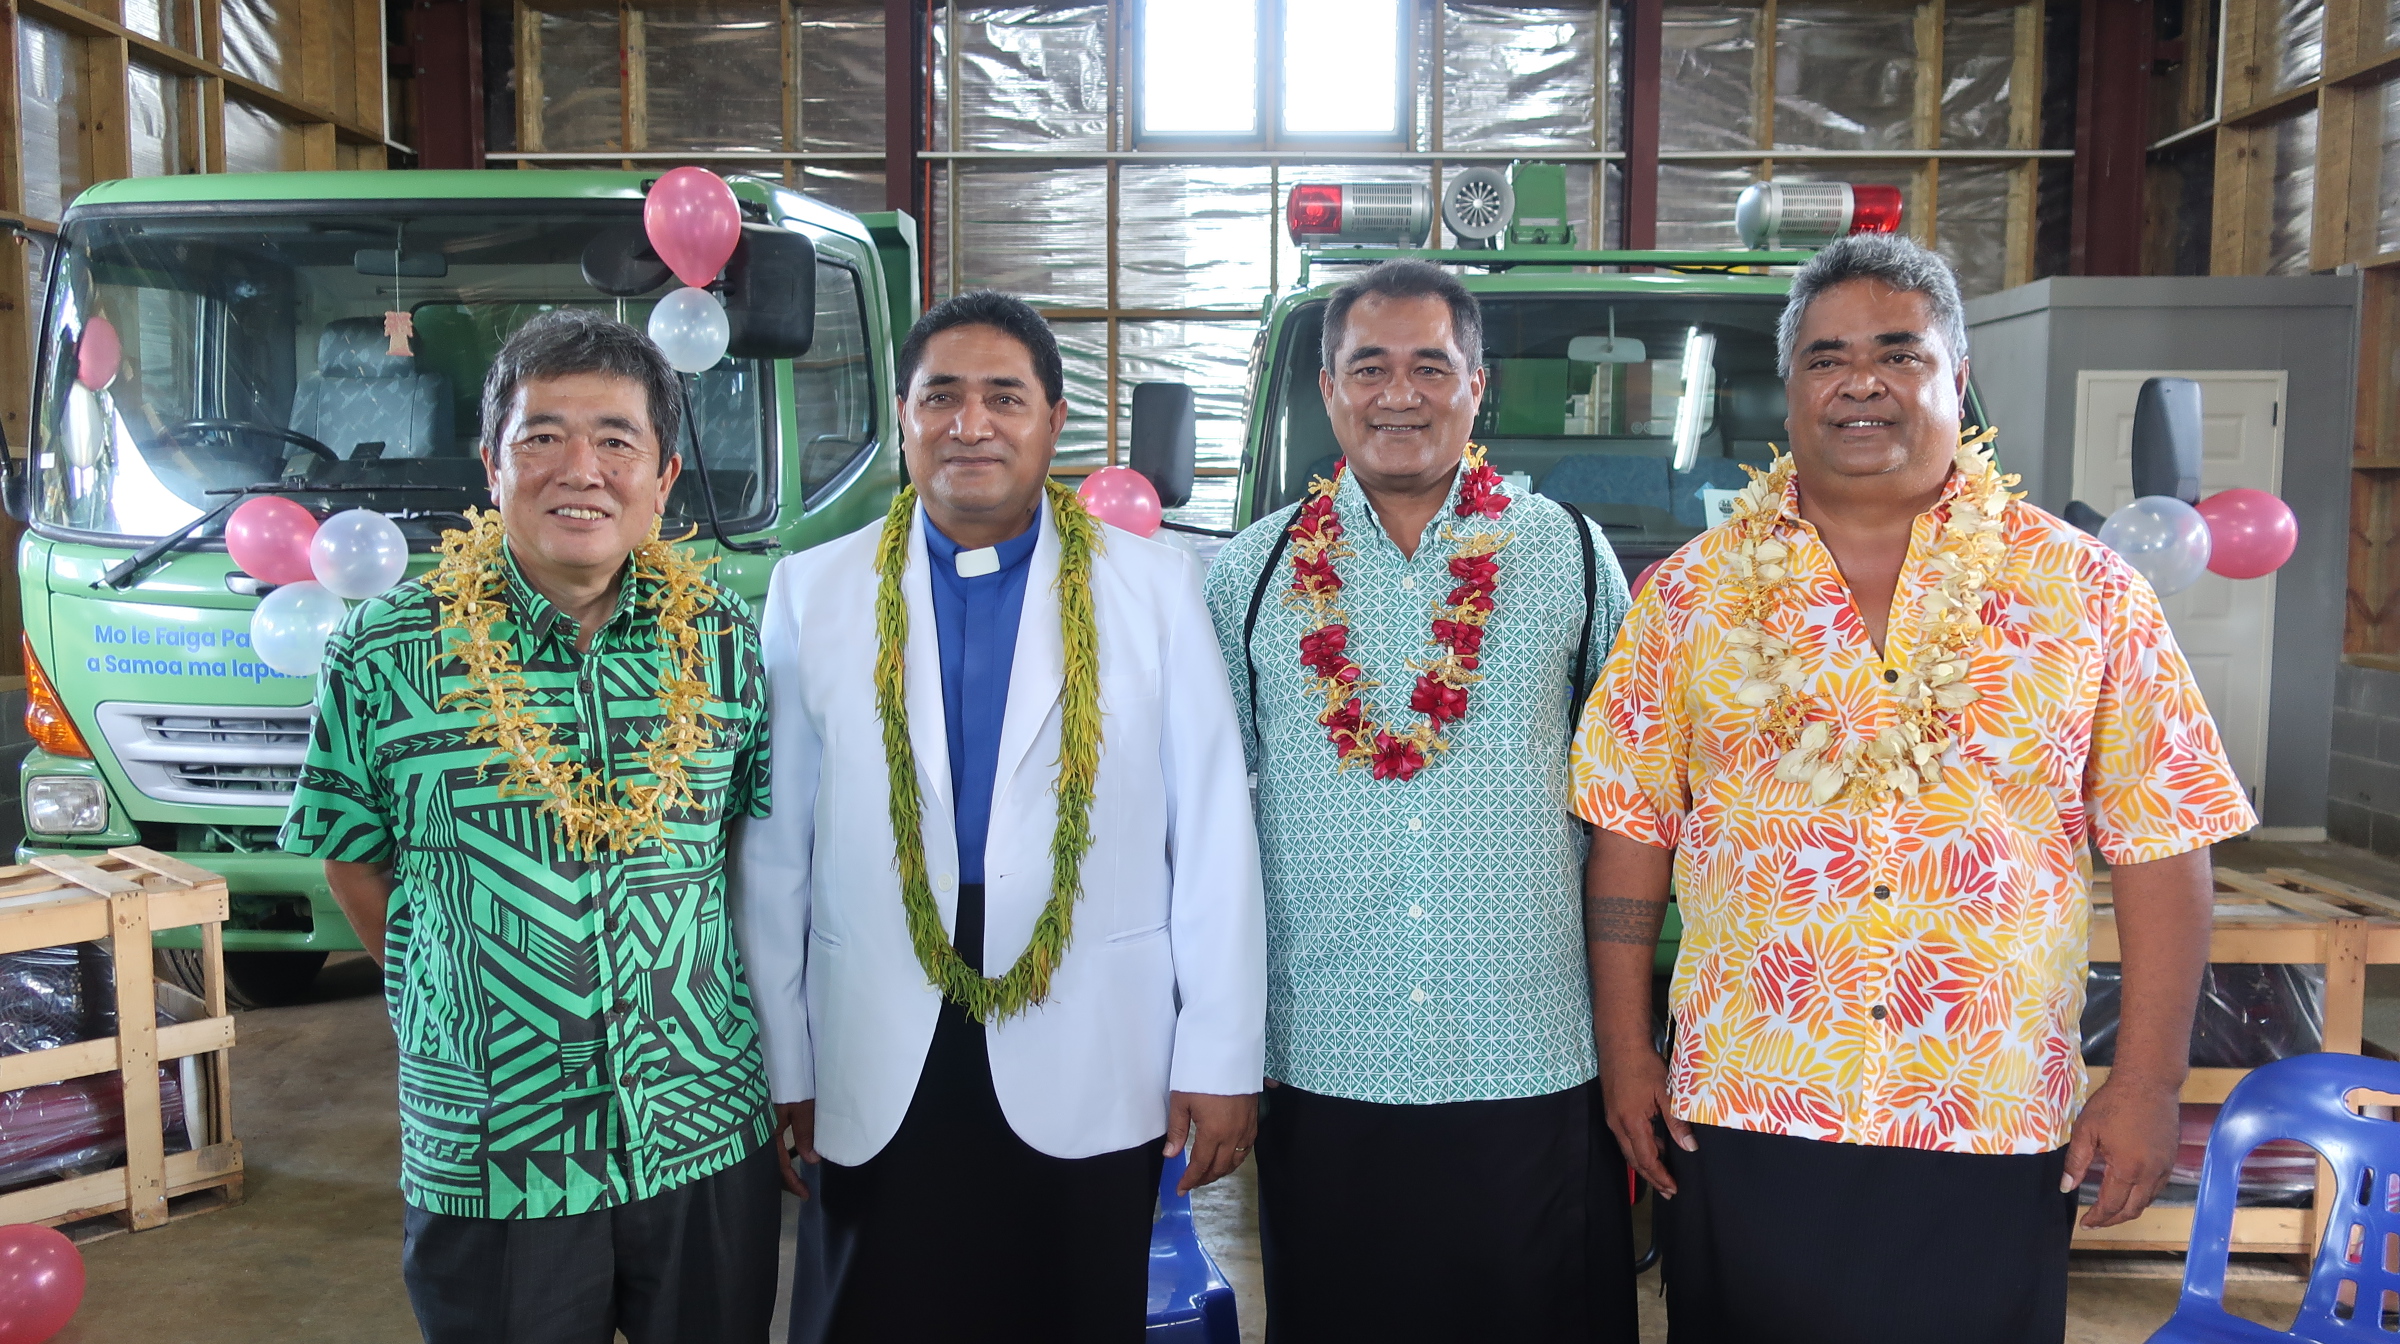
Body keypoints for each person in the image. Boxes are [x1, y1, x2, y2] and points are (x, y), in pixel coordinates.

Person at [1574, 232, 2256, 1344]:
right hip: (1750, 1098)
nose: (1861, 384)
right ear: (1788, 385)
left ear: (1958, 376)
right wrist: (1626, 1049)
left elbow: (2164, 840)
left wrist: (2144, 1084)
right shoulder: (1689, 599)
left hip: (1987, 1108)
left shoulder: (2086, 592)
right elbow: (1629, 835)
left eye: (1900, 354)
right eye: (1827, 356)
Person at [734, 290, 1265, 1344]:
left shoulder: (1154, 588)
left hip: (1088, 1024)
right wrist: (783, 1060)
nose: (970, 425)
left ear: (1054, 421)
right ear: (903, 415)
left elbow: (1210, 830)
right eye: (942, 397)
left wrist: (1218, 1054)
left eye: (1003, 398)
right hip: (878, 1027)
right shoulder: (813, 590)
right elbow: (772, 852)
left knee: (1067, 1309)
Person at [280, 309, 780, 1343]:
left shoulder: (726, 646)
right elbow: (352, 856)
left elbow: (744, 858)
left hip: (697, 1131)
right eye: (541, 437)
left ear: (665, 476)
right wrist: (464, 991)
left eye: (615, 439)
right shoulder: (388, 651)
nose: (579, 469)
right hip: (495, 1144)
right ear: (492, 466)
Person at [1204, 258, 1636, 1342]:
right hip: (1324, 1055)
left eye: (1430, 367)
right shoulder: (1249, 576)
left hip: (1528, 1054)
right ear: (1329, 388)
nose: (1400, 393)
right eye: (1371, 367)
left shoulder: (1573, 558)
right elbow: (1208, 824)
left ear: (1476, 387)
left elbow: (1630, 804)